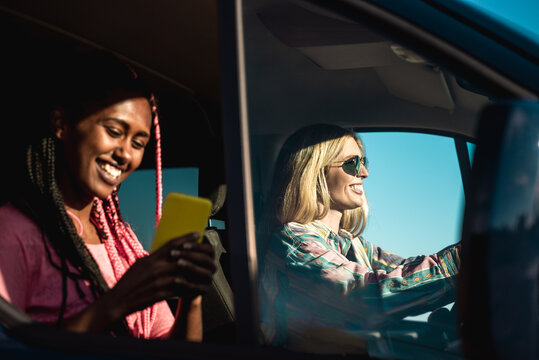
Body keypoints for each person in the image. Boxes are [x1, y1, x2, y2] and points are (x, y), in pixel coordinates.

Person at [0, 50, 216, 340]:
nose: (125, 154)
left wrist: (192, 299)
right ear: (61, 124)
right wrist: (118, 302)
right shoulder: (13, 231)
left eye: (139, 143)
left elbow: (173, 351)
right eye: (114, 131)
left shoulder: (122, 243)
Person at [258, 124, 460, 351]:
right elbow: (371, 295)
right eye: (351, 163)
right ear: (316, 172)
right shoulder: (294, 244)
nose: (364, 172)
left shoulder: (353, 244)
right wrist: (460, 261)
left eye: (364, 162)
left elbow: (405, 270)